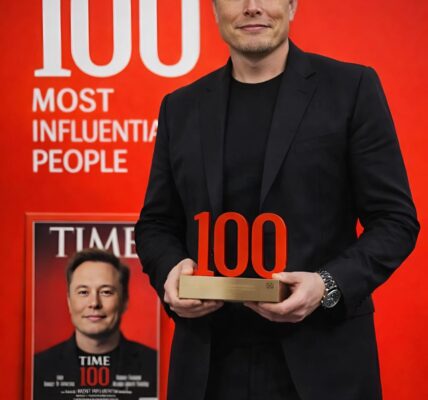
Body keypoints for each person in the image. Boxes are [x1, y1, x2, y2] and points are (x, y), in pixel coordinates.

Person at [135, 1, 419, 399]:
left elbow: (395, 220)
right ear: (214, 10)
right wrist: (170, 271)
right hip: (208, 366)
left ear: (292, 5)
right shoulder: (181, 106)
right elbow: (156, 224)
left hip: (324, 362)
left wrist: (326, 285)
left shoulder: (351, 89)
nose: (252, 7)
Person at [34, 248, 157, 400]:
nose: (94, 303)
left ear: (124, 301)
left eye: (106, 292)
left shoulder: (155, 366)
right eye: (83, 292)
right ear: (69, 302)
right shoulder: (37, 368)